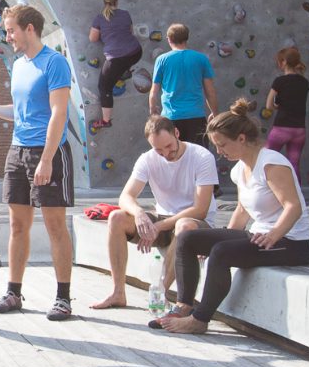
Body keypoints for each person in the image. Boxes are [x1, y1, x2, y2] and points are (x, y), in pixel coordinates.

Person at [157, 98, 309, 334]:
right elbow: (242, 210)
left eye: (222, 145)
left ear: (241, 138)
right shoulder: (240, 168)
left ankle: (199, 320)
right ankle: (183, 305)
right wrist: (220, 236)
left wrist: (273, 235)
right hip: (258, 235)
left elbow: (293, 206)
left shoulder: (271, 163)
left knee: (221, 252)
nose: (219, 152)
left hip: (290, 242)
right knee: (189, 238)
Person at [0, 4, 76, 321]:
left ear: (30, 28)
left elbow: (58, 113)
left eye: (11, 29)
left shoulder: (54, 63)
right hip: (18, 151)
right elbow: (21, 111)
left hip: (49, 152)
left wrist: (46, 159)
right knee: (17, 225)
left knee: (56, 226)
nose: (7, 36)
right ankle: (14, 292)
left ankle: (63, 298)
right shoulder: (19, 65)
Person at [90, 115, 218, 310]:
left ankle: (161, 292)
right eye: (158, 150)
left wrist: (158, 226)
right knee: (116, 217)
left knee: (184, 225)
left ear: (177, 133)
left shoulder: (201, 157)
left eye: (168, 146)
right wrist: (139, 213)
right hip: (164, 219)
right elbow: (125, 196)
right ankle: (118, 292)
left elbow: (200, 210)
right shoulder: (147, 159)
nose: (166, 153)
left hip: (193, 222)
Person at [149, 23, 218, 145]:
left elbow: (154, 92)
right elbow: (210, 91)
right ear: (186, 38)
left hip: (170, 118)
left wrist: (153, 111)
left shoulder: (162, 60)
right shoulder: (201, 59)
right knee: (198, 159)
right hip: (196, 117)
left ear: (169, 39)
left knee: (173, 158)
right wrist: (215, 113)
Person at [88, 0, 143, 131]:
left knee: (104, 87)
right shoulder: (125, 14)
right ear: (117, 1)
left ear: (104, 2)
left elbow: (92, 38)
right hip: (136, 52)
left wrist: (106, 36)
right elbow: (130, 32)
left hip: (116, 58)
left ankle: (106, 121)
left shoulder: (99, 18)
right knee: (123, 64)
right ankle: (124, 72)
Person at [264, 47, 309, 184]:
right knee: (294, 163)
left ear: (283, 62)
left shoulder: (280, 81)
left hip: (281, 128)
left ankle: (265, 189)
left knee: (266, 158)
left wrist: (277, 106)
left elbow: (269, 105)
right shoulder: (304, 82)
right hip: (299, 130)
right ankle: (296, 194)